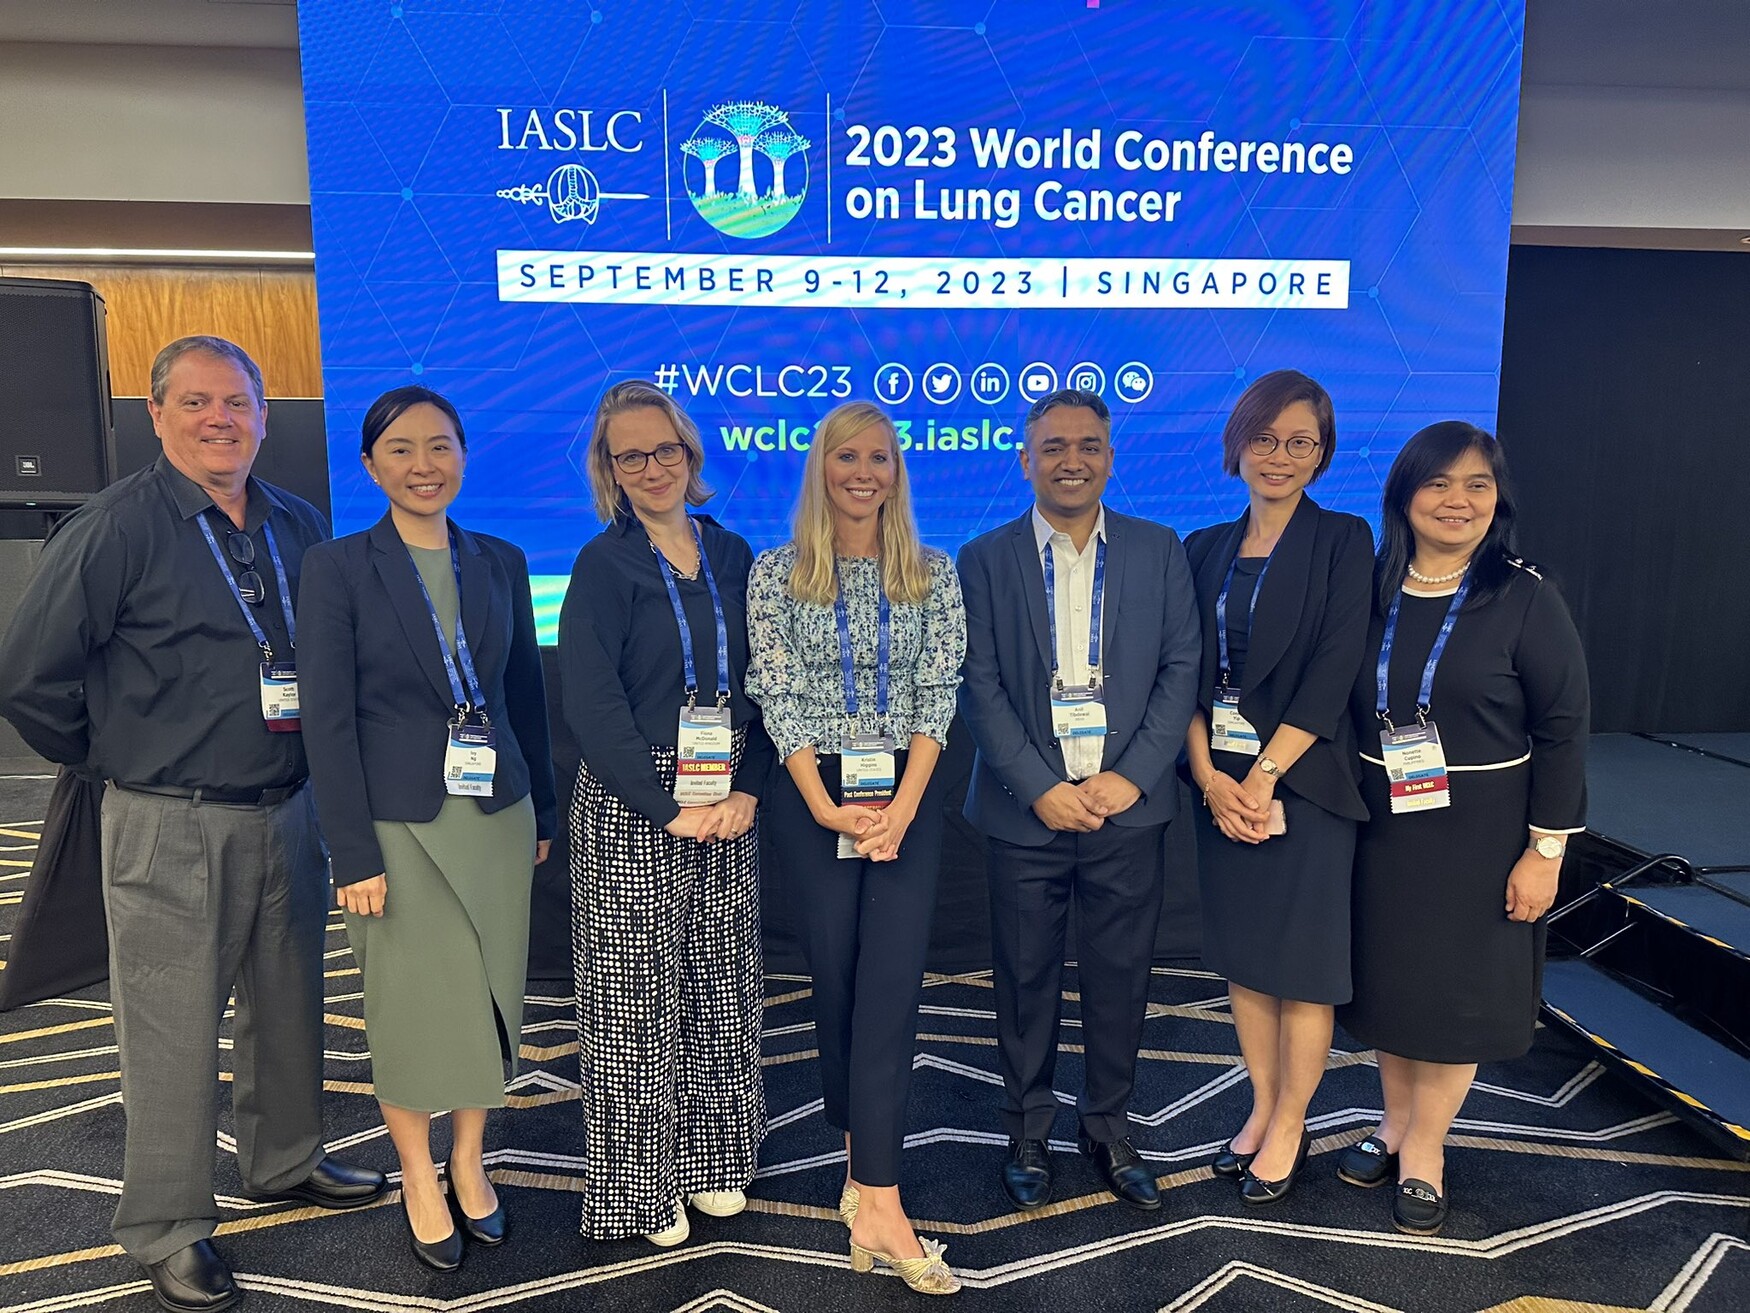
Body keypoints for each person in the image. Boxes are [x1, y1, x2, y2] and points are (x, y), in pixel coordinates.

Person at [0, 336, 385, 1313]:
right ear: (159, 413)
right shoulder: (113, 526)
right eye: (200, 402)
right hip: (168, 817)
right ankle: (169, 1223)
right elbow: (30, 676)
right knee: (171, 1025)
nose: (221, 419)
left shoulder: (297, 524)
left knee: (289, 998)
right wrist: (111, 757)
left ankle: (287, 1156)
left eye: (238, 403)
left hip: (286, 809)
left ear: (262, 414)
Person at [297, 386, 556, 1271]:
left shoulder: (502, 560)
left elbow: (526, 696)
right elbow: (327, 720)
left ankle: (469, 1158)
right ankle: (415, 1169)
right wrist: (351, 851)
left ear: (464, 456)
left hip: (495, 814)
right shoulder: (337, 567)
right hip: (394, 825)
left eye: (440, 446)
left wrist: (543, 807)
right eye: (401, 449)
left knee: (489, 997)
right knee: (407, 1007)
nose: (423, 465)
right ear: (370, 465)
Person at [1338, 422, 1587, 1235]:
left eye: (1477, 485)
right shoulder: (1371, 585)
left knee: (1456, 996)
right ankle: (1393, 1119)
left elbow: (1563, 729)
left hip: (1483, 833)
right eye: (1438, 484)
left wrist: (1544, 851)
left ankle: (1426, 1150)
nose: (1457, 501)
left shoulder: (1524, 595)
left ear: (1498, 498)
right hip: (1384, 826)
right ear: (1405, 495)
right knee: (1395, 987)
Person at [957, 388, 1201, 1214]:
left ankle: (1107, 1124)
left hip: (1127, 808)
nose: (1071, 460)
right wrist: (1042, 789)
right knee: (1024, 977)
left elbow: (1180, 671)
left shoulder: (1159, 548)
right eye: (1053, 446)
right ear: (1025, 460)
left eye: (1088, 445)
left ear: (1109, 456)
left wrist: (1130, 776)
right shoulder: (983, 558)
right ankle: (1027, 1126)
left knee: (1119, 975)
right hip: (1027, 812)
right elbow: (978, 685)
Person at [746, 399, 966, 1295]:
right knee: (836, 978)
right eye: (847, 456)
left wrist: (902, 808)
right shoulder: (775, 572)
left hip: (906, 799)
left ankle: (880, 1194)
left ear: (897, 469)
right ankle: (856, 1162)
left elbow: (936, 691)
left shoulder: (934, 573)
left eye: (879, 456)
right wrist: (828, 807)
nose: (863, 472)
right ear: (821, 467)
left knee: (888, 983)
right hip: (814, 800)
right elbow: (779, 693)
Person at [557, 380, 770, 1246]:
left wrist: (749, 785)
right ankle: (642, 1191)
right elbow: (591, 702)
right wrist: (662, 805)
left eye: (665, 450)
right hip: (630, 801)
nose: (651, 467)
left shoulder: (734, 553)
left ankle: (716, 1161)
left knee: (722, 988)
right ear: (610, 468)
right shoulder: (602, 564)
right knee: (631, 1006)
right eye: (629, 454)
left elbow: (765, 685)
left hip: (726, 793)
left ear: (692, 453)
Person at [1180, 370, 1374, 1204]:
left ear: (1323, 453)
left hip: (1306, 788)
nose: (1280, 456)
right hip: (1220, 786)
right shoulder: (1204, 549)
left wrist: (1257, 779)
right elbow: (1181, 675)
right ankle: (1263, 1108)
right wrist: (1207, 777)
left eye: (1301, 441)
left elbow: (1333, 674)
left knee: (1302, 969)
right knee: (1248, 966)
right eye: (1265, 438)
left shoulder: (1343, 539)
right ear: (1238, 444)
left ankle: (1292, 1123)